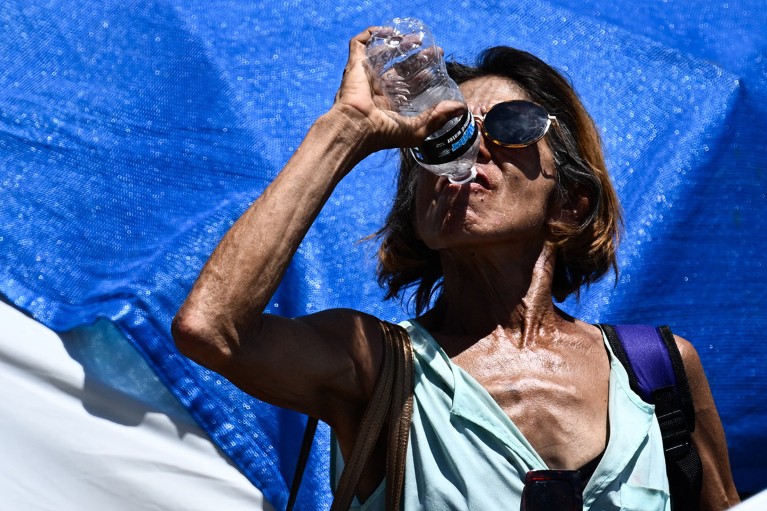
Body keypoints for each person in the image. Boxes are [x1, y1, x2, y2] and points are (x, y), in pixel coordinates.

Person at [172, 26, 740, 510]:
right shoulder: (374, 366)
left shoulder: (658, 372)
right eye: (440, 137)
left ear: (570, 202)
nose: (473, 149)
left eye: (512, 125)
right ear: (416, 205)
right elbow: (211, 329)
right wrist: (345, 127)